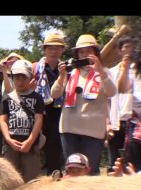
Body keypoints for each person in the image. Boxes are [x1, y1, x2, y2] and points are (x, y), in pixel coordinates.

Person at [51, 34, 117, 176]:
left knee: (91, 170)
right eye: (82, 51)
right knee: (71, 170)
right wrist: (61, 76)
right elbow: (54, 94)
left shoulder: (104, 72)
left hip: (93, 130)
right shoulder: (70, 72)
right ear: (77, 54)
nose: (85, 54)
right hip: (69, 128)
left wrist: (100, 71)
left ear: (95, 52)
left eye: (89, 50)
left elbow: (111, 92)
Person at [0, 60, 45, 182]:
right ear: (12, 78)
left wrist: (30, 141)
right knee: (10, 179)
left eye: (23, 77)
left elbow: (39, 120)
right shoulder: (6, 98)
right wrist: (8, 139)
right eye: (17, 77)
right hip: (10, 145)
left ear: (29, 78)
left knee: (32, 179)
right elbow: (2, 121)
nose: (20, 81)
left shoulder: (37, 97)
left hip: (31, 145)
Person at [33, 32, 67, 175]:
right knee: (35, 149)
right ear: (45, 49)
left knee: (55, 150)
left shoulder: (66, 69)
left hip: (59, 114)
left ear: (62, 50)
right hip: (38, 114)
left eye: (57, 48)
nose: (53, 51)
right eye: (50, 48)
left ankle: (54, 180)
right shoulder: (35, 68)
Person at [107, 36, 134, 172]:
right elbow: (107, 100)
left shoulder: (137, 71)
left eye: (132, 47)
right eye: (126, 47)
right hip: (116, 122)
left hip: (133, 122)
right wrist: (107, 123)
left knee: (132, 162)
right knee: (114, 163)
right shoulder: (111, 72)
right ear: (119, 50)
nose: (129, 51)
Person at [117, 41, 141, 171]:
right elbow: (121, 88)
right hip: (136, 125)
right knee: (135, 168)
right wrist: (125, 69)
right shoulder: (133, 69)